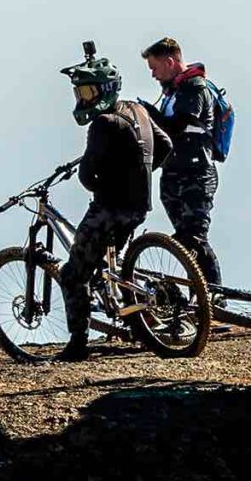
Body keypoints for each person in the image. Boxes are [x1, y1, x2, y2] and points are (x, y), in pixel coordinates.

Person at [56, 46, 159, 362]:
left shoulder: (102, 123)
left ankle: (77, 343)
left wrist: (106, 185)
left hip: (109, 208)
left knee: (72, 273)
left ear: (104, 89)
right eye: (79, 90)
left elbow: (87, 175)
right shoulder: (137, 110)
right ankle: (137, 318)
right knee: (104, 263)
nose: (82, 97)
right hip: (140, 206)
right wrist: (139, 173)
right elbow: (164, 145)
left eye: (87, 90)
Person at [140, 36, 223, 286]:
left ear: (170, 61)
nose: (153, 75)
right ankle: (200, 297)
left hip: (196, 175)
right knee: (186, 242)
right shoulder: (171, 93)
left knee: (195, 238)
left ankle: (216, 298)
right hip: (174, 174)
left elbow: (179, 125)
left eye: (155, 68)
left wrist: (149, 113)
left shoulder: (195, 87)